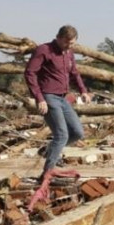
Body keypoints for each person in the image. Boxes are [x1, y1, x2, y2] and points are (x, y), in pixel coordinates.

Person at [24, 25, 91, 180]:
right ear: (58, 37)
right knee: (61, 135)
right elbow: (30, 73)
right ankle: (47, 172)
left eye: (72, 43)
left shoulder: (69, 53)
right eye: (67, 43)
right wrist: (39, 98)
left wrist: (84, 91)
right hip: (48, 97)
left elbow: (74, 73)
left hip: (63, 97)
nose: (69, 46)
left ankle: (49, 150)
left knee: (77, 133)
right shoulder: (44, 50)